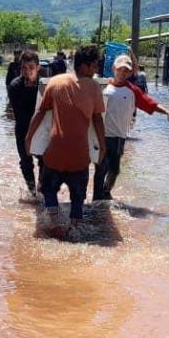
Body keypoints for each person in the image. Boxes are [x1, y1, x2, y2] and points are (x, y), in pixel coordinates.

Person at [25, 45, 106, 236]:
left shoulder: (55, 82)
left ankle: (53, 221)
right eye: (94, 66)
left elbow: (40, 113)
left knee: (48, 188)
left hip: (55, 153)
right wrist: (102, 147)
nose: (96, 71)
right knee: (78, 198)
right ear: (85, 67)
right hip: (79, 156)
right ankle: (74, 229)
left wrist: (28, 139)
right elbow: (97, 121)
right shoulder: (94, 88)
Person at [94, 54, 169, 202]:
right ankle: (97, 200)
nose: (122, 73)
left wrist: (167, 112)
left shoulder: (132, 91)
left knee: (114, 170)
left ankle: (106, 193)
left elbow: (150, 104)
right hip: (102, 136)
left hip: (120, 137)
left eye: (126, 71)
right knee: (100, 169)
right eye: (120, 70)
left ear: (131, 72)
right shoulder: (103, 89)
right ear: (114, 69)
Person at [7, 50, 42, 194]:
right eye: (24, 68)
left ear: (38, 67)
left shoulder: (44, 85)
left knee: (46, 162)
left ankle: (41, 189)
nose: (27, 71)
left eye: (31, 68)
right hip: (23, 128)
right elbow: (21, 112)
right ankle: (33, 192)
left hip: (42, 129)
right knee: (26, 163)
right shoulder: (15, 85)